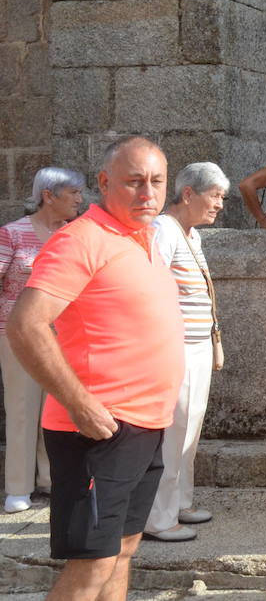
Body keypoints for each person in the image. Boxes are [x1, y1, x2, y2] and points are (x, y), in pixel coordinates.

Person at [7, 136, 183, 601]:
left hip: (145, 425)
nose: (147, 193)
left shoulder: (142, 237)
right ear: (105, 183)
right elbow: (26, 324)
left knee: (123, 549)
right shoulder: (81, 239)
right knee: (91, 565)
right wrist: (79, 403)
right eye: (133, 182)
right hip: (99, 429)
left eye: (156, 181)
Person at [144, 162, 229, 543]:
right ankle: (158, 518)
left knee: (189, 429)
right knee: (173, 431)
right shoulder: (164, 229)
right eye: (215, 196)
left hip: (195, 347)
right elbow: (151, 288)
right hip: (174, 348)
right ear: (189, 193)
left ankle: (180, 503)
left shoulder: (189, 233)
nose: (219, 205)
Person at [0, 167, 85, 513]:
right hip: (18, 332)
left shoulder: (77, 235)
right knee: (22, 407)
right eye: (74, 193)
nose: (81, 199)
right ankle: (18, 487)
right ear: (48, 195)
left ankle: (54, 480)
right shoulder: (12, 234)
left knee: (61, 407)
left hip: (67, 334)